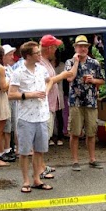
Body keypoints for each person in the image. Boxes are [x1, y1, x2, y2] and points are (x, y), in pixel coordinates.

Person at [8, 41, 54, 193]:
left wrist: (46, 91)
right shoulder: (18, 72)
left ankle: (37, 179)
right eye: (37, 53)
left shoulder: (42, 69)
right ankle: (25, 181)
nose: (40, 55)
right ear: (28, 56)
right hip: (26, 117)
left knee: (40, 150)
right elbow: (11, 94)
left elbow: (49, 81)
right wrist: (30, 95)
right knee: (25, 151)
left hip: (42, 114)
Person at [65, 35, 105, 171]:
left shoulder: (95, 63)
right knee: (75, 132)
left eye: (85, 46)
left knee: (91, 132)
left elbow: (102, 80)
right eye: (80, 46)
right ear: (75, 48)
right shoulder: (69, 62)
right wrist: (76, 62)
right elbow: (69, 78)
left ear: (88, 48)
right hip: (75, 101)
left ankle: (92, 159)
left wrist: (93, 80)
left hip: (91, 101)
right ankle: (75, 161)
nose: (83, 49)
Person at [38, 34, 73, 179]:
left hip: (50, 104)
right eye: (55, 47)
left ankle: (41, 165)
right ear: (49, 48)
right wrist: (63, 75)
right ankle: (39, 169)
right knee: (42, 138)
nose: (56, 49)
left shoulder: (46, 61)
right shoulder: (40, 62)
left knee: (45, 137)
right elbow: (47, 81)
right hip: (44, 105)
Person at [0, 44, 18, 162]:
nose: (12, 57)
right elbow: (5, 86)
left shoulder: (9, 68)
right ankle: (3, 150)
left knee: (11, 125)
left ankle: (8, 148)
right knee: (5, 125)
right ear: (3, 56)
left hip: (12, 100)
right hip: (4, 100)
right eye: (10, 54)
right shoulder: (1, 69)